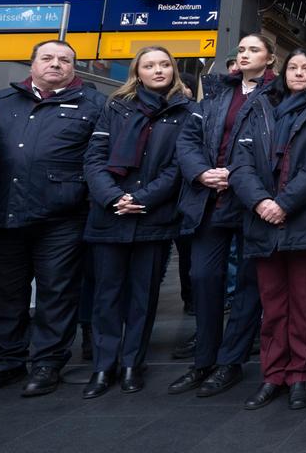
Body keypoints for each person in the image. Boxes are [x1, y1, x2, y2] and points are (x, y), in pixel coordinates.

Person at [229, 49, 306, 411]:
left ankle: (298, 375)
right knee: (273, 306)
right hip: (263, 221)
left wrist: (283, 204)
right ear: (282, 73)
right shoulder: (259, 108)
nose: (299, 73)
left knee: (304, 305)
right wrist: (261, 202)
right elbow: (240, 164)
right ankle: (272, 375)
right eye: (293, 68)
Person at [0, 41, 105, 396]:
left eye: (64, 60)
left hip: (62, 218)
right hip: (5, 214)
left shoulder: (95, 105)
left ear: (73, 67)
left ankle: (47, 363)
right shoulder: (1, 102)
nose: (56, 64)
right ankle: (6, 361)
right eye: (48, 58)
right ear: (32, 64)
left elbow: (99, 159)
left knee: (57, 293)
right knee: (5, 293)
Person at [80, 47, 192, 398]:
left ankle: (132, 363)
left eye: (164, 64)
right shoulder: (114, 106)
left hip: (153, 215)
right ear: (137, 72)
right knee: (107, 295)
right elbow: (94, 159)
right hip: (109, 213)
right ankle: (103, 366)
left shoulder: (187, 112)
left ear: (173, 70)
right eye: (150, 65)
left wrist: (141, 198)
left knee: (143, 297)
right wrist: (113, 197)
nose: (158, 70)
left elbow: (179, 167)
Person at [167, 33, 275, 397]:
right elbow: (187, 141)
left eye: (253, 50)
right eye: (241, 49)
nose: (244, 54)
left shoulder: (278, 95)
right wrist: (201, 173)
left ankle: (230, 362)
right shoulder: (215, 96)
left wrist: (240, 175)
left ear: (270, 59)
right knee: (203, 277)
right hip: (210, 198)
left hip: (253, 200)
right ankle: (203, 360)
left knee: (249, 284)